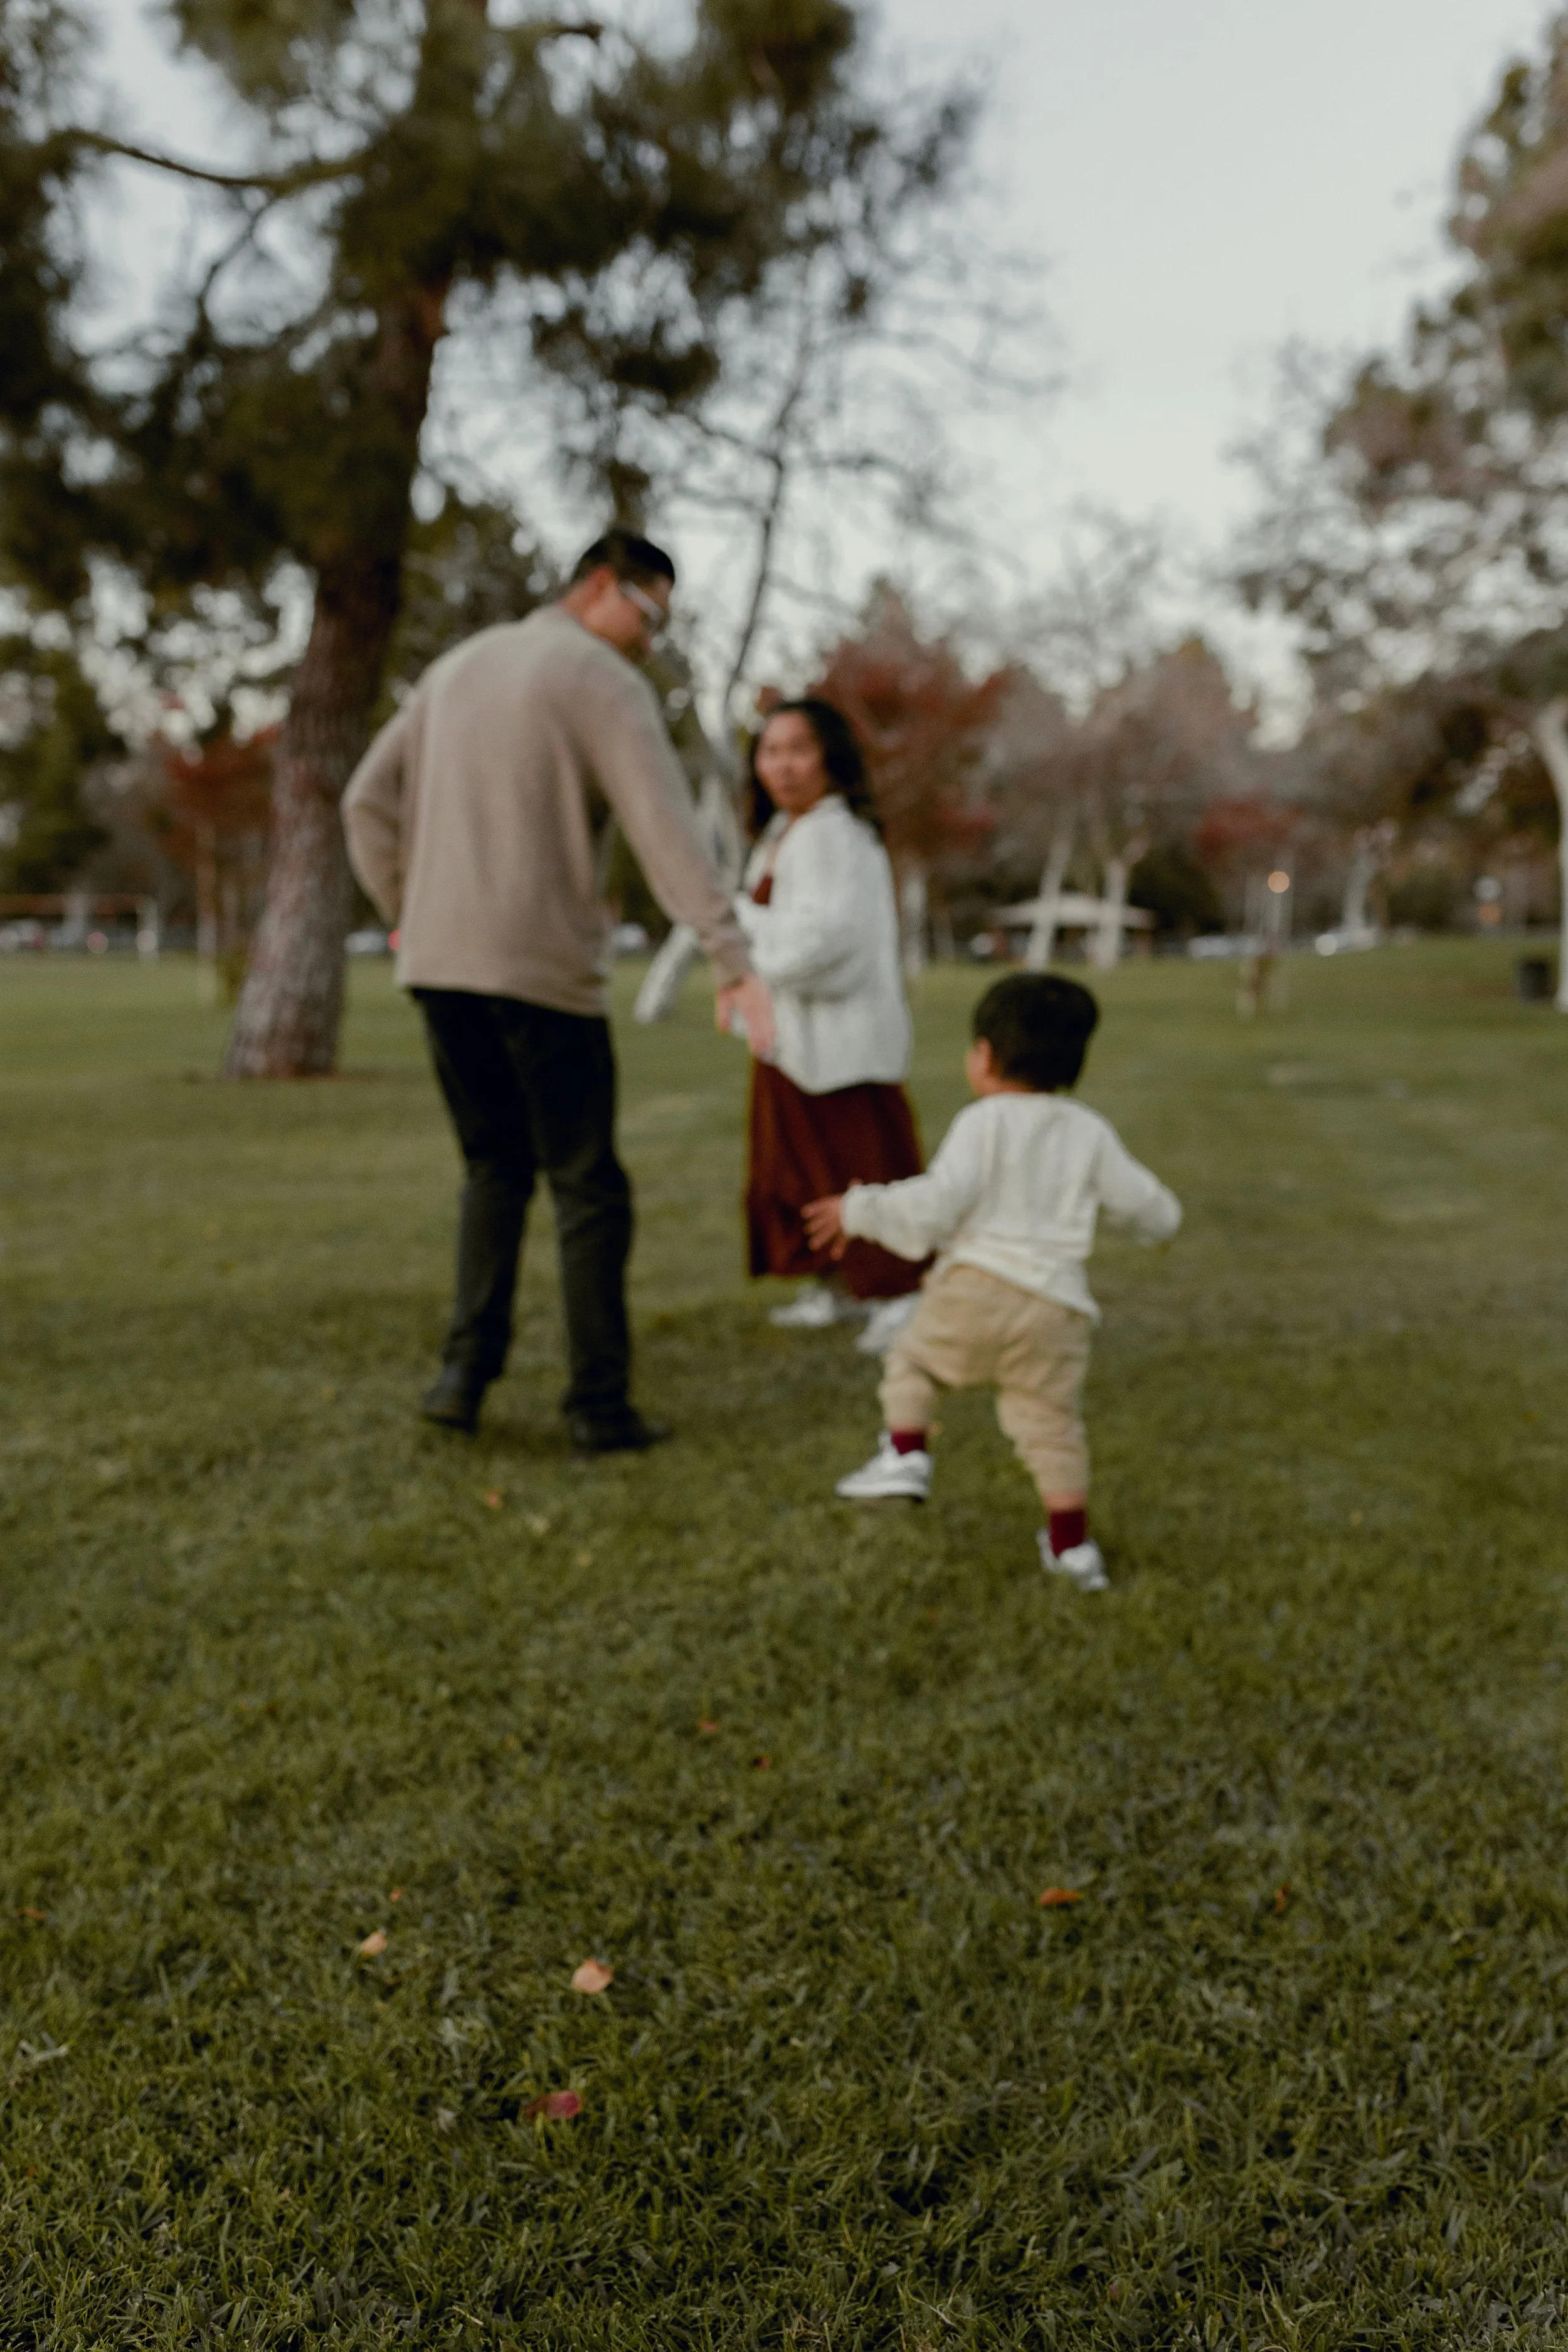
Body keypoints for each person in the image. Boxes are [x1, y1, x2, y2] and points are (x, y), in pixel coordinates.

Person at [342, 527, 773, 1449]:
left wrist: (409, 915)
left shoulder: (457, 667)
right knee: (588, 1186)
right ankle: (598, 1407)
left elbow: (364, 804)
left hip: (443, 970)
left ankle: (464, 1377)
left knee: (492, 1169)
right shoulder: (600, 680)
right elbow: (667, 831)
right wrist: (731, 957)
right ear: (601, 585)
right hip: (539, 972)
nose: (653, 642)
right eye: (650, 614)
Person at [803, 972, 1180, 1591]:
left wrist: (858, 1210)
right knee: (1052, 1425)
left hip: (973, 1292)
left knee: (913, 1363)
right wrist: (1162, 1224)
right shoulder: (1088, 1131)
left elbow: (935, 1204)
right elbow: (1149, 1207)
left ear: (984, 1056)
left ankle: (905, 1453)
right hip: (1055, 1310)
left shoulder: (983, 1123)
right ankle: (1070, 1548)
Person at [737, 696, 926, 1352]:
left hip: (845, 1039)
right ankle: (832, 1281)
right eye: (770, 751)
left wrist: (742, 933)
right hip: (790, 1039)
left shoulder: (833, 833)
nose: (782, 767)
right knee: (795, 1167)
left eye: (798, 750)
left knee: (861, 1165)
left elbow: (823, 944)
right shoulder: (780, 836)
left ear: (830, 759)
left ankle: (899, 1289)